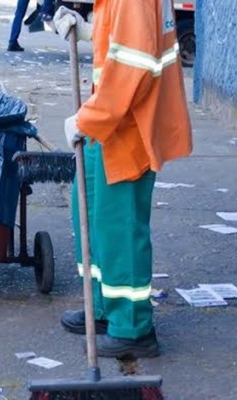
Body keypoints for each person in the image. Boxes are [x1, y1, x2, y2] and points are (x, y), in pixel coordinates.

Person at [53, 1, 193, 358]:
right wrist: (85, 29)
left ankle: (132, 325)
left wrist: (88, 119)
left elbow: (134, 68)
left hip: (128, 127)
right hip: (115, 124)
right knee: (89, 212)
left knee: (119, 227)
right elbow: (125, 41)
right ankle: (103, 307)